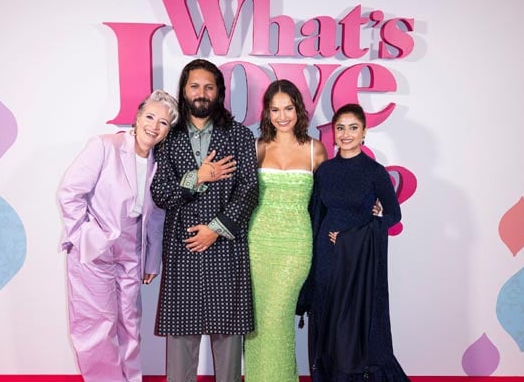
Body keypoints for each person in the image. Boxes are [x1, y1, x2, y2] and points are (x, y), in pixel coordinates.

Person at [57, 89, 179, 382]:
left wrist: (152, 261)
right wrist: (84, 234)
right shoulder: (104, 147)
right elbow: (70, 193)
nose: (154, 126)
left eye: (163, 123)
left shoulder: (159, 164)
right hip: (95, 248)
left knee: (129, 323)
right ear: (137, 117)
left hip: (132, 250)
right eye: (150, 116)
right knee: (96, 325)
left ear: (167, 131)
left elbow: (156, 216)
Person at [150, 59, 259, 382]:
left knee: (228, 342)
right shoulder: (168, 138)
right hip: (182, 249)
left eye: (209, 87)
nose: (202, 93)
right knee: (181, 343)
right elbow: (161, 194)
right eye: (194, 86)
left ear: (219, 93)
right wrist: (196, 177)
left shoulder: (239, 135)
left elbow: (249, 189)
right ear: (184, 90)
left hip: (225, 247)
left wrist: (216, 229)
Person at [302, 103, 409, 381]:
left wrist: (356, 236)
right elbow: (316, 214)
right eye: (340, 128)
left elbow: (394, 215)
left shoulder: (374, 172)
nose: (346, 134)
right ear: (333, 133)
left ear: (364, 132)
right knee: (327, 317)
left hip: (359, 260)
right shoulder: (324, 171)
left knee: (355, 322)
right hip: (327, 257)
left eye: (353, 127)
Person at [243, 79, 327, 381]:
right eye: (275, 109)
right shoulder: (255, 148)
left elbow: (328, 200)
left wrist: (369, 208)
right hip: (257, 245)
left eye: (288, 108)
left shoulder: (315, 151)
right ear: (266, 113)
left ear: (298, 109)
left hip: (295, 247)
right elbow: (239, 197)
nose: (282, 116)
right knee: (257, 325)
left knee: (277, 319)